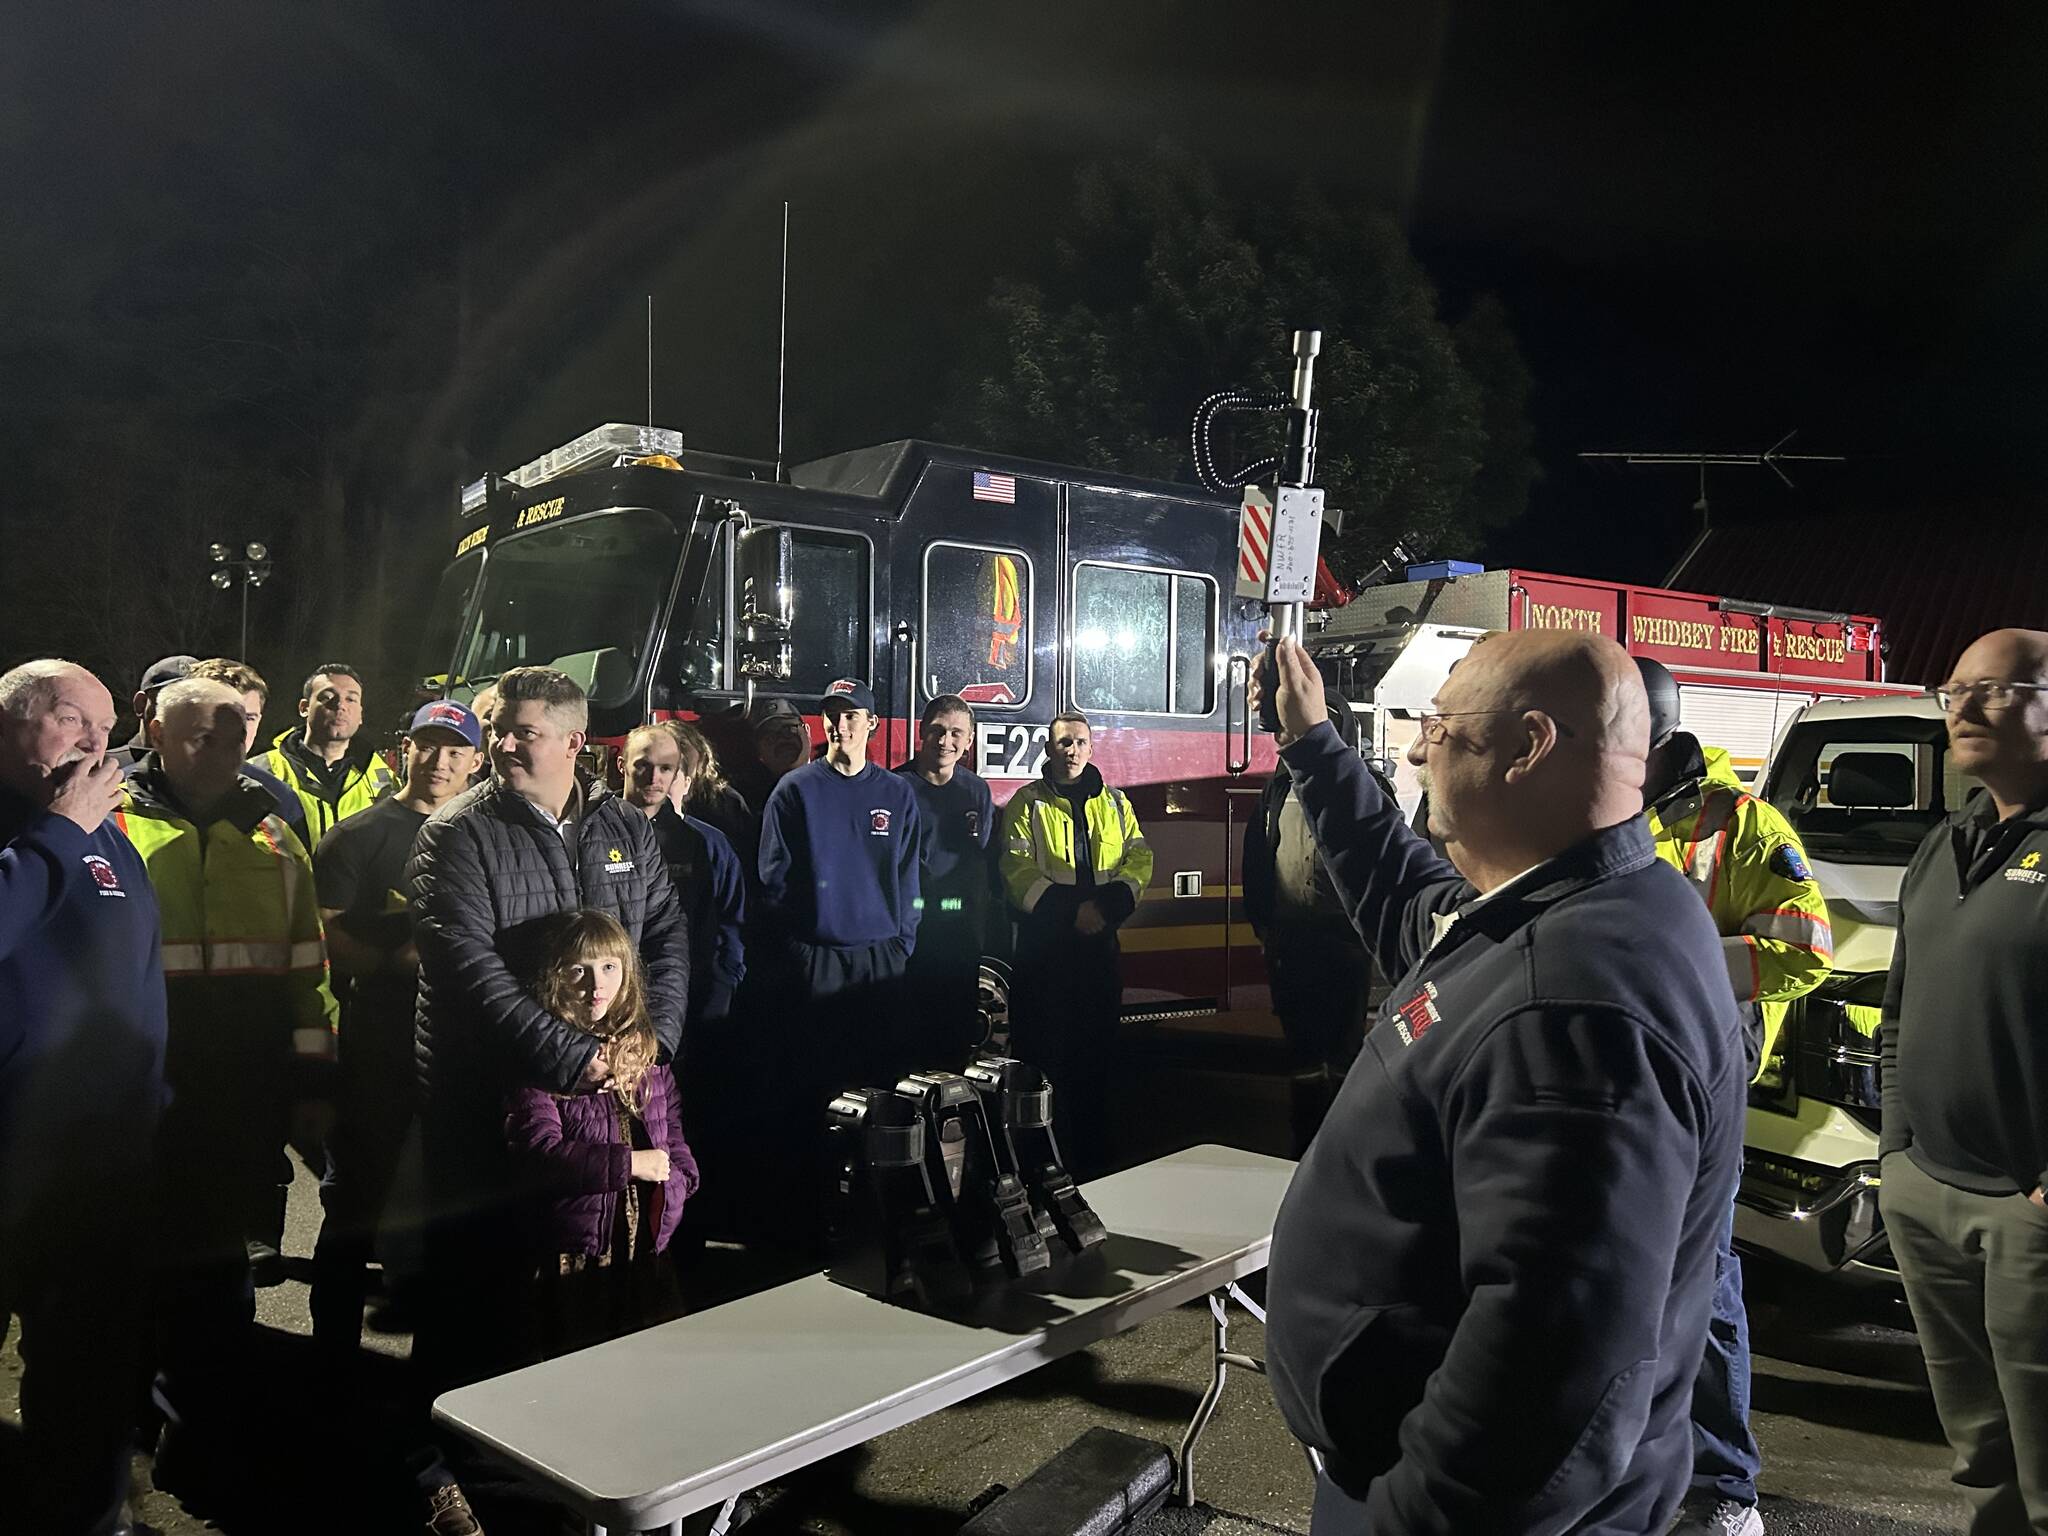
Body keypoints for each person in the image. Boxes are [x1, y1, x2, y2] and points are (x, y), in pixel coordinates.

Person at [1253, 630, 1746, 1536]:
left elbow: (1551, 1381)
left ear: (1529, 747)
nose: (1414, 747)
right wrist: (1312, 743)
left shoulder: (1571, 1005)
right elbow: (1408, 901)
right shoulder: (1577, 903)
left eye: (1440, 727)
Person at [407, 665, 687, 1534]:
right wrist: (575, 1057)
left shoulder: (621, 828)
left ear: (573, 741)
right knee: (472, 1292)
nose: (501, 744)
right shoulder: (458, 834)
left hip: (605, 1093)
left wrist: (658, 1041)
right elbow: (468, 970)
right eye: (499, 728)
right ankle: (439, 1471)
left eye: (522, 730)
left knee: (581, 1282)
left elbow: (667, 932)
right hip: (488, 1101)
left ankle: (570, 1463)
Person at [116, 676, 339, 1505]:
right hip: (135, 1086)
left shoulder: (275, 831)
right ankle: (129, 1415)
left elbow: (306, 964)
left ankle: (199, 1430)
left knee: (226, 1264)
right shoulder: (109, 821)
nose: (220, 746)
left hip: (243, 1088)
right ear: (154, 730)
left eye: (233, 732)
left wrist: (313, 1074)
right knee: (135, 1259)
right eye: (199, 732)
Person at [1637, 658, 1832, 1536]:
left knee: (1707, 1279)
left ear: (1649, 733)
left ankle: (1726, 1490)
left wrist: (1685, 958)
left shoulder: (1747, 826)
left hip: (1710, 1067)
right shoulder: (1623, 813)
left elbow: (1807, 950)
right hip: (1638, 1065)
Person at [1879, 628, 2048, 1535]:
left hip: (2028, 1214)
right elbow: (1901, 1008)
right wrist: (1895, 1153)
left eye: (1996, 690)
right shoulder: (1946, 843)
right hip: (1925, 1189)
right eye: (1954, 690)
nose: (1964, 708)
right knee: (1980, 1458)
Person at [0, 660, 166, 1536]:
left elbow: (139, 978)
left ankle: (91, 1516)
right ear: (12, 721)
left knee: (86, 1366)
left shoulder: (110, 837)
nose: (97, 744)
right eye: (71, 719)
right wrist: (59, 831)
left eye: (106, 728)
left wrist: (150, 1099)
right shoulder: (58, 827)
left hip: (93, 1164)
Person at [308, 699, 484, 1371]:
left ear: (475, 759)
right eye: (428, 746)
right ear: (401, 751)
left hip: (460, 1045)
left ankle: (441, 1364)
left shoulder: (483, 833)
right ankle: (329, 1356)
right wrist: (403, 958)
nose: (440, 761)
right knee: (357, 1198)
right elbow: (330, 936)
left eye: (455, 750)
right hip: (379, 1039)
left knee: (455, 1203)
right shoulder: (355, 839)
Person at [756, 679, 922, 1232]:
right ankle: (817, 1209)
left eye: (852, 716)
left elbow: (910, 876)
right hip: (820, 963)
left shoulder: (898, 794)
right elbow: (773, 881)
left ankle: (880, 1202)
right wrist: (801, 951)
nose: (840, 725)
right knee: (817, 1090)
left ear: (872, 724)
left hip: (881, 962)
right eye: (832, 715)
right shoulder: (794, 791)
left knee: (881, 1087)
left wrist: (903, 942)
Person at [504, 909, 698, 1358]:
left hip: (647, 1246)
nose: (597, 986)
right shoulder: (542, 1062)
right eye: (580, 970)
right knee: (578, 1361)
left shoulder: (643, 1047)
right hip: (578, 1254)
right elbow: (538, 1153)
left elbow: (671, 1127)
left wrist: (682, 1182)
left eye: (609, 968)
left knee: (649, 1360)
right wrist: (632, 1164)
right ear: (555, 977)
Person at [187, 655, 313, 1276]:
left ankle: (257, 1240)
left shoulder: (276, 809)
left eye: (249, 722)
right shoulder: (120, 805)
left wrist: (313, 1051)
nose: (238, 739)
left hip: (252, 1027)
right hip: (162, 1036)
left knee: (258, 1143)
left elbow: (303, 936)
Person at [998, 710, 1152, 1175]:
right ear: (1048, 749)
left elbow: (1139, 856)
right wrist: (1074, 912)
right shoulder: (1027, 804)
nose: (1072, 750)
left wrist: (1112, 904)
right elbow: (1016, 869)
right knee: (1044, 1061)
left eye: (1080, 742)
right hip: (1046, 952)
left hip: (1099, 949)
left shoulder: (1116, 804)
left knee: (1097, 1056)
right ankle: (1042, 1163)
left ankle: (1094, 1160)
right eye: (1063, 742)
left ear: (1091, 748)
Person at [1243, 690, 1379, 1156]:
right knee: (1301, 1048)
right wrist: (1263, 924)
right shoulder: (1277, 786)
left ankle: (1342, 1147)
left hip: (1344, 935)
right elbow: (1256, 856)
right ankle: (1304, 1146)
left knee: (1343, 1048)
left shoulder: (1365, 783)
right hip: (1292, 936)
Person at [621, 722, 746, 1029]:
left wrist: (722, 984)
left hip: (690, 993)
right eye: (644, 765)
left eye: (668, 769)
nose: (656, 777)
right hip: (615, 994)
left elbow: (728, 921)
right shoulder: (597, 831)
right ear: (622, 766)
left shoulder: (702, 843)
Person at [897, 694, 996, 1063]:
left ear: (969, 741)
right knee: (908, 1041)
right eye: (937, 730)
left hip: (959, 936)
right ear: (921, 732)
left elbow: (978, 863)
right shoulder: (894, 787)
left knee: (953, 1040)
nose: (945, 741)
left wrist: (977, 930)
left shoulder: (976, 791)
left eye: (956, 733)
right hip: (910, 935)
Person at [254, 662, 396, 844]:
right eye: (328, 697)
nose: (340, 706)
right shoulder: (262, 771)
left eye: (351, 699)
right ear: (304, 708)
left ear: (361, 714)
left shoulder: (383, 778)